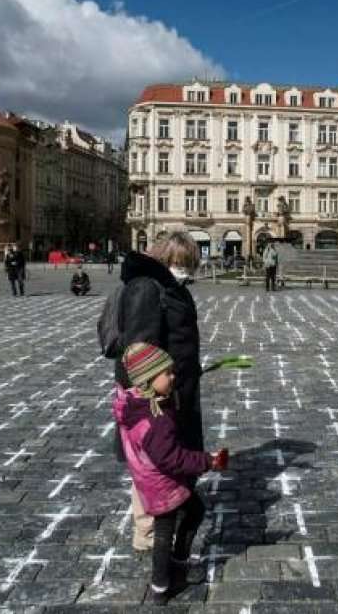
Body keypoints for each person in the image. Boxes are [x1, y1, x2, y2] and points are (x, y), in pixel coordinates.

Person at [110, 232, 203, 553]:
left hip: (174, 389)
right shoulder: (147, 289)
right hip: (157, 396)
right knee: (153, 461)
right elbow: (139, 350)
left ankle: (160, 521)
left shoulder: (167, 287)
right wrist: (154, 391)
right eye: (184, 264)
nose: (188, 271)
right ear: (168, 260)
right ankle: (148, 533)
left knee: (164, 457)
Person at [114, 343, 226, 605]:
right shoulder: (155, 420)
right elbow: (172, 459)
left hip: (151, 478)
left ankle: (170, 571)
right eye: (167, 373)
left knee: (191, 513)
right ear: (148, 380)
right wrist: (208, 461)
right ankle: (163, 584)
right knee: (166, 532)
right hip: (163, 483)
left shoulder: (137, 403)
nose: (173, 377)